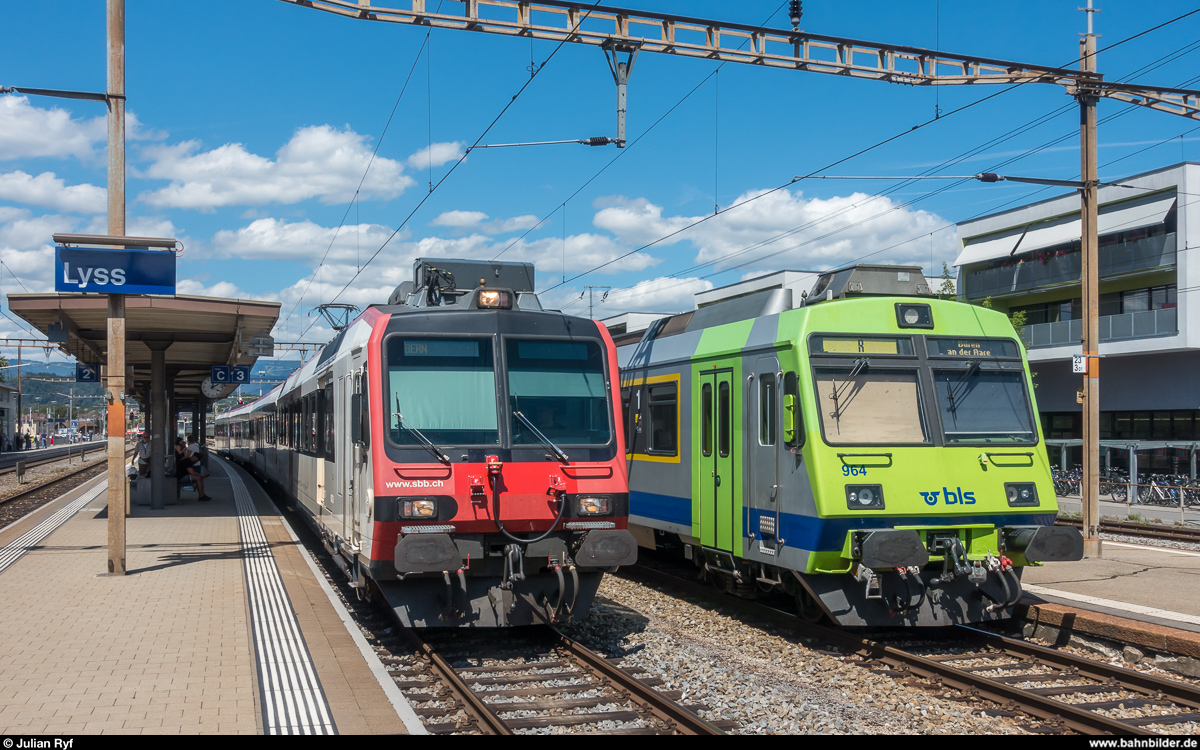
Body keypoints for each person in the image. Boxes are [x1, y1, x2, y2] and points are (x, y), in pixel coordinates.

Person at [175, 436, 210, 501]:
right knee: (198, 478)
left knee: (199, 478)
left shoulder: (189, 461)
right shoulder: (188, 461)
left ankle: (202, 495)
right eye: (197, 460)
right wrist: (200, 475)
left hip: (182, 476)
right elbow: (191, 472)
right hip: (181, 477)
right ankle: (201, 496)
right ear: (194, 457)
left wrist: (200, 476)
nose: (196, 461)